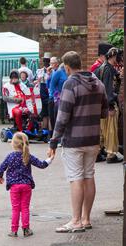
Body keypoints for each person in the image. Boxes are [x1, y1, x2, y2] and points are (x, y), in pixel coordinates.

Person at [48, 51, 108, 233]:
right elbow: (105, 112)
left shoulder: (70, 83)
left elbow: (63, 116)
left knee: (76, 178)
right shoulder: (98, 83)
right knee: (89, 176)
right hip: (93, 138)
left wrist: (53, 141)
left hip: (74, 139)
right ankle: (86, 219)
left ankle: (75, 221)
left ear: (67, 67)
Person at [0, 132, 54, 237]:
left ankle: (14, 230)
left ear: (13, 144)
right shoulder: (27, 156)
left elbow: (1, 168)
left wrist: (0, 177)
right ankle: (26, 229)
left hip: (14, 186)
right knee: (25, 208)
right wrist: (50, 159)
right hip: (26, 186)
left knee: (15, 208)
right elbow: (41, 164)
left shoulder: (10, 156)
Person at [95, 47, 123, 164]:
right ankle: (111, 154)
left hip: (101, 104)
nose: (120, 59)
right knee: (110, 130)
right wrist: (111, 105)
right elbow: (108, 88)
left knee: (102, 129)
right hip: (108, 105)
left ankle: (98, 152)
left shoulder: (104, 68)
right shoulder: (107, 69)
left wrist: (119, 76)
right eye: (119, 56)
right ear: (112, 56)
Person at [47, 57, 67, 139]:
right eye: (51, 63)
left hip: (64, 97)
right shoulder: (56, 72)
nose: (51, 65)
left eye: (53, 63)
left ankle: (59, 137)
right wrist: (53, 97)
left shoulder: (62, 71)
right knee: (55, 118)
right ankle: (55, 137)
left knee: (61, 117)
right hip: (55, 98)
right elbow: (50, 86)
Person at [34, 53, 52, 132]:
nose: (46, 62)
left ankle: (50, 132)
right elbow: (34, 82)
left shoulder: (53, 71)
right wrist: (37, 81)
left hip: (50, 93)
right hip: (42, 93)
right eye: (45, 60)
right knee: (44, 113)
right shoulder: (39, 71)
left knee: (50, 113)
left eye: (47, 61)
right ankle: (44, 131)